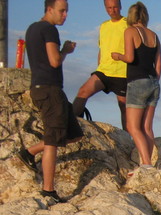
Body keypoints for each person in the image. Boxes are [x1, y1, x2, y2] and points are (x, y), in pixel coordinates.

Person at [17, 0, 84, 203]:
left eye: (66, 12)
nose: (65, 15)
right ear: (49, 9)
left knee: (74, 134)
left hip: (44, 88)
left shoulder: (32, 28)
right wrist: (65, 51)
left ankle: (29, 152)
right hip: (49, 89)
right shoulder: (49, 29)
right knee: (53, 140)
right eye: (62, 11)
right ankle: (48, 190)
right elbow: (54, 60)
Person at [111, 1, 161, 172]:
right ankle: (148, 162)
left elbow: (130, 58)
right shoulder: (154, 36)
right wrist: (153, 81)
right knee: (147, 127)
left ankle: (146, 163)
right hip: (153, 82)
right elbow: (159, 65)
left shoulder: (130, 31)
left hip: (137, 81)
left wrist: (118, 56)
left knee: (133, 126)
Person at [72, 0, 128, 130]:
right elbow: (101, 48)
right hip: (104, 70)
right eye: (109, 8)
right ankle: (72, 126)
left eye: (115, 7)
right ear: (105, 8)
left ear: (120, 6)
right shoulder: (104, 26)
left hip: (122, 71)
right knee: (83, 91)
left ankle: (128, 139)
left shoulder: (128, 24)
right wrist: (99, 66)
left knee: (123, 106)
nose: (112, 10)